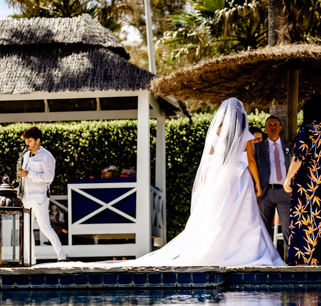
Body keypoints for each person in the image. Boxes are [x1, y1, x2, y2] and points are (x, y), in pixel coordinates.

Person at [115, 98, 284, 267]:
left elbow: (209, 161)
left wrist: (206, 182)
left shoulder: (216, 133)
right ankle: (246, 251)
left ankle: (220, 249)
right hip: (241, 179)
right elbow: (251, 160)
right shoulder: (245, 134)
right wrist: (258, 183)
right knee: (246, 217)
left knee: (220, 214)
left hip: (221, 180)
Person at [282, 95, 321, 265]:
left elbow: (298, 157)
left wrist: (287, 179)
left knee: (305, 218)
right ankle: (320, 260)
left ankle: (301, 262)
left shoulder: (307, 129)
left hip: (309, 180)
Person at [17, 126, 66, 262]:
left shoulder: (47, 156)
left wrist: (28, 174)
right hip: (26, 197)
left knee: (45, 228)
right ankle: (31, 259)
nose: (27, 144)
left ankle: (61, 256)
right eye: (26, 140)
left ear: (38, 141)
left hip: (39, 197)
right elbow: (24, 176)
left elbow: (49, 178)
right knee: (26, 229)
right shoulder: (26, 155)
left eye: (30, 141)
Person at [252, 115, 292, 259]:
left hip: (285, 192)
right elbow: (252, 167)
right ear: (266, 129)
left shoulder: (289, 146)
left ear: (280, 128)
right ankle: (265, 260)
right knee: (264, 229)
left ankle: (291, 262)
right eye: (270, 125)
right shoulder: (257, 147)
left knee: (288, 229)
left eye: (275, 124)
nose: (273, 127)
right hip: (265, 192)